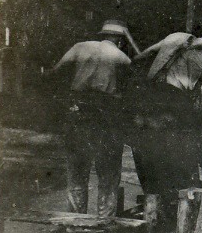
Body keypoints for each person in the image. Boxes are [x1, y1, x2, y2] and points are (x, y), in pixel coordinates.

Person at [130, 25, 202, 231]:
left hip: (148, 106)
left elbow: (140, 57)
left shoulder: (175, 42)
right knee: (183, 181)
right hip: (177, 109)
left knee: (152, 183)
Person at [46, 19, 135, 218]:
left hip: (79, 111)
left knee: (77, 171)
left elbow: (56, 72)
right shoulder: (121, 56)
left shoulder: (79, 47)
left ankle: (75, 221)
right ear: (120, 40)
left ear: (102, 35)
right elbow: (131, 87)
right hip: (107, 115)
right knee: (108, 175)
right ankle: (104, 222)